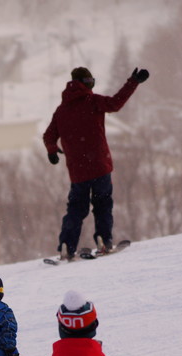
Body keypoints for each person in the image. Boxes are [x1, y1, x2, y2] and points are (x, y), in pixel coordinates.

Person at [43, 66, 149, 260]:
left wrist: (52, 151)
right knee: (102, 206)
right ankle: (103, 241)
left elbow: (48, 135)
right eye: (90, 82)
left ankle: (67, 245)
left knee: (76, 209)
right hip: (99, 165)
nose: (92, 86)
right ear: (85, 83)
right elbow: (116, 103)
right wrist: (133, 82)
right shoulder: (93, 101)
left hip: (78, 171)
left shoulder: (61, 110)